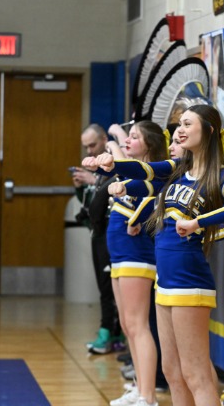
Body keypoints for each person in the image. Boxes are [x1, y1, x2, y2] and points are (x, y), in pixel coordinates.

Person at [84, 105, 224, 405]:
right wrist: (110, 166)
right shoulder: (177, 170)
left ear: (209, 131)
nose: (180, 130)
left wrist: (198, 223)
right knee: (172, 371)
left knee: (196, 373)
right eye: (180, 125)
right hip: (164, 281)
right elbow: (145, 171)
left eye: (188, 124)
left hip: (190, 281)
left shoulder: (221, 175)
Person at [102, 121, 167, 406]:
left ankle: (148, 396)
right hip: (119, 253)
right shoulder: (133, 170)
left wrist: (114, 138)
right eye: (127, 137)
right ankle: (139, 387)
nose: (128, 141)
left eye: (134, 137)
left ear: (149, 144)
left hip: (136, 253)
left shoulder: (151, 173)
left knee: (139, 325)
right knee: (128, 325)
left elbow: (150, 200)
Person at [72, 124, 122, 354]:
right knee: (104, 285)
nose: (89, 150)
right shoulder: (96, 165)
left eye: (93, 145)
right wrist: (81, 187)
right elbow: (91, 202)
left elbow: (114, 188)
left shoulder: (116, 161)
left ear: (104, 139)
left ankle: (112, 331)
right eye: (86, 147)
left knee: (111, 285)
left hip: (112, 230)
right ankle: (111, 331)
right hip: (98, 229)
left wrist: (94, 181)